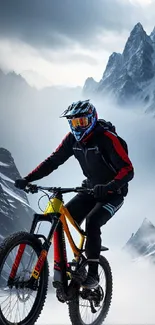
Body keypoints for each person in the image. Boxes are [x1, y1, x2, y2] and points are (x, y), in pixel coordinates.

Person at [15, 99, 134, 289]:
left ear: (92, 119)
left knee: (93, 221)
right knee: (63, 220)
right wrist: (28, 179)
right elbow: (53, 161)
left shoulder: (106, 138)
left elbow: (128, 170)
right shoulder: (72, 139)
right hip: (89, 189)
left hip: (114, 193)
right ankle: (76, 263)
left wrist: (110, 185)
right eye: (74, 122)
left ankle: (93, 275)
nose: (78, 127)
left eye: (82, 122)